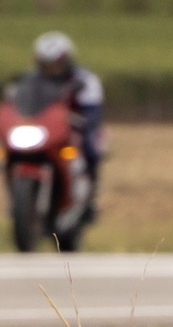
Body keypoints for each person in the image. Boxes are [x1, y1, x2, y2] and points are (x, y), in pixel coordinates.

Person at [11, 30, 105, 213]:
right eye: (46, 63)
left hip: (73, 129)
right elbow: (17, 100)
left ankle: (91, 193)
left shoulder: (85, 79)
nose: (51, 68)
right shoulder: (30, 79)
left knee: (91, 148)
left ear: (66, 60)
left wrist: (84, 121)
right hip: (43, 129)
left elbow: (92, 110)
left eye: (56, 63)